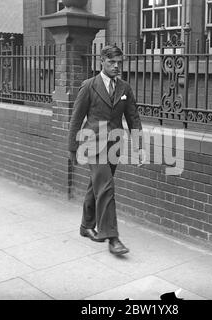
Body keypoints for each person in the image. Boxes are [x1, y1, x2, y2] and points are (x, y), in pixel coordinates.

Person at [68, 45, 143, 255]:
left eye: (119, 62)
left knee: (97, 186)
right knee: (107, 187)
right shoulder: (89, 86)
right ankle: (112, 237)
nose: (116, 66)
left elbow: (133, 118)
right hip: (92, 144)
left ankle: (86, 226)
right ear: (102, 61)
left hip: (114, 145)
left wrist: (138, 146)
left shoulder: (125, 88)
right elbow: (76, 118)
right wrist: (72, 148)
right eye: (112, 62)